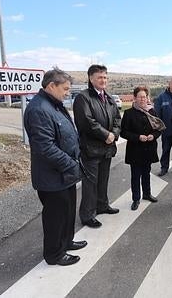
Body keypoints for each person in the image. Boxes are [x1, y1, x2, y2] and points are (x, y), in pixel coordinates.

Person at [24, 68, 87, 266]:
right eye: (65, 88)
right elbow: (45, 148)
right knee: (55, 217)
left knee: (68, 211)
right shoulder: (39, 109)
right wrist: (72, 165)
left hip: (65, 174)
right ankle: (54, 254)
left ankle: (66, 242)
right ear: (51, 86)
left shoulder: (54, 104)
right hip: (52, 177)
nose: (68, 92)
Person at [73, 64, 122, 228]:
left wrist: (114, 134)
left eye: (105, 77)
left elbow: (117, 118)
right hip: (91, 149)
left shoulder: (108, 97)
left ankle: (102, 205)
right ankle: (87, 215)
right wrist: (106, 135)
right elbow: (87, 122)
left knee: (103, 180)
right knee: (90, 184)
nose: (103, 80)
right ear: (90, 78)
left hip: (107, 148)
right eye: (100, 77)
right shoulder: (83, 98)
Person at [121, 86, 165, 210]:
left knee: (146, 173)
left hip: (149, 149)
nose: (142, 99)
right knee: (135, 175)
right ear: (134, 98)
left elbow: (159, 129)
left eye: (144, 97)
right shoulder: (129, 113)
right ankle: (136, 199)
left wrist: (153, 136)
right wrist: (137, 137)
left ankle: (147, 194)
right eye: (140, 97)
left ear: (147, 98)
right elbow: (124, 132)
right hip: (135, 150)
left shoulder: (152, 112)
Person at [154, 77, 172, 176]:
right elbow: (157, 115)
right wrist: (160, 129)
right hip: (166, 131)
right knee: (165, 150)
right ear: (169, 84)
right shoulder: (161, 98)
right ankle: (164, 168)